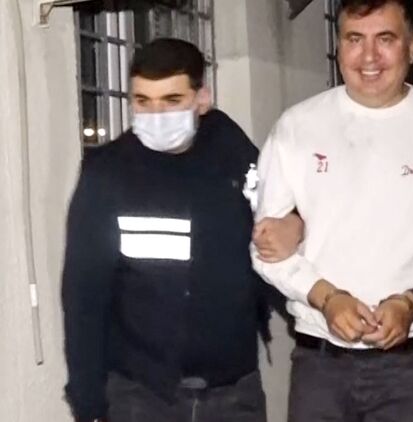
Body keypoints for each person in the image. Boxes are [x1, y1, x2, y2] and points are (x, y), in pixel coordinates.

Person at [250, 0, 413, 420]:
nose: (368, 56)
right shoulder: (297, 127)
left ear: (412, 47)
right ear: (338, 46)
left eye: (385, 39)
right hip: (321, 365)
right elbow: (266, 249)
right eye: (355, 39)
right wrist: (326, 297)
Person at [62, 38, 296, 422]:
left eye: (172, 100)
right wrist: (88, 403)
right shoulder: (108, 174)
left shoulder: (233, 154)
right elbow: (83, 295)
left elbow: (273, 234)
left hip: (234, 392)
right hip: (142, 396)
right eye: (143, 101)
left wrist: (296, 231)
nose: (156, 115)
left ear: (202, 99)